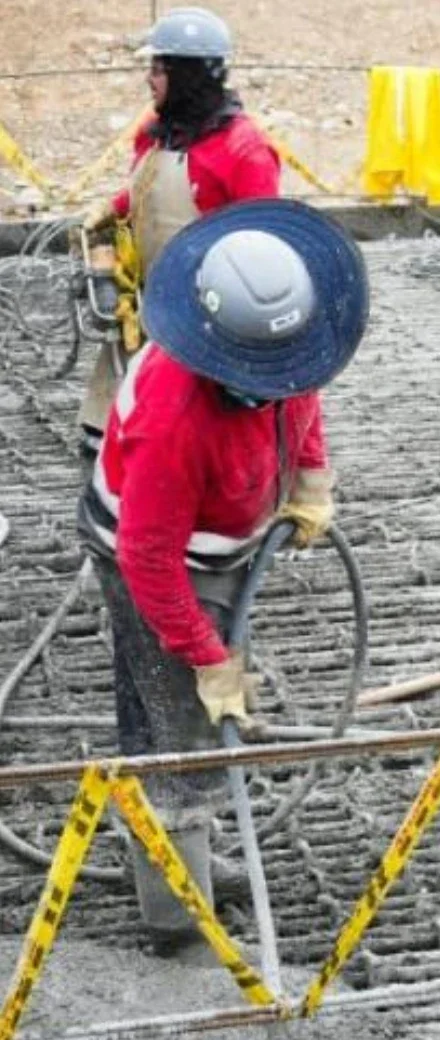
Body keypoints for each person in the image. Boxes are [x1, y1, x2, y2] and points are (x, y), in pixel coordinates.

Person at [75, 199, 366, 954]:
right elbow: (147, 559)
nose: (279, 379)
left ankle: (187, 854)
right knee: (183, 732)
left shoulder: (281, 350)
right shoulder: (175, 420)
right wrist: (205, 657)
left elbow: (301, 389)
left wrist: (310, 477)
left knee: (188, 713)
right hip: (153, 563)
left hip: (223, 549)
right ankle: (176, 914)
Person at [77, 6, 281, 463]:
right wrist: (112, 208)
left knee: (178, 430)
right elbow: (144, 190)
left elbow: (262, 243)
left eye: (158, 69)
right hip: (146, 304)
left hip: (202, 320)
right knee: (112, 426)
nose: (148, 79)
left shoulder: (244, 149)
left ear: (187, 75)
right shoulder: (156, 134)